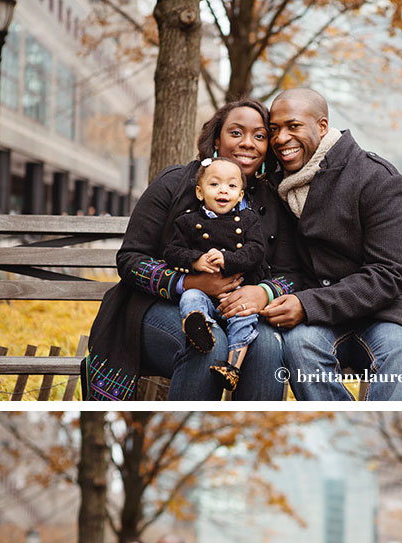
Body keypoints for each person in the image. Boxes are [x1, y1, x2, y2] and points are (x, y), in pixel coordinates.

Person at [86, 98, 284, 402]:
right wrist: (190, 283)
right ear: (216, 138)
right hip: (156, 307)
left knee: (268, 345)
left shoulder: (271, 201)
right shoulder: (175, 182)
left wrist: (264, 292)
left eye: (259, 136)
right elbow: (130, 259)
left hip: (239, 311)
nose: (248, 143)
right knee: (207, 342)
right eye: (236, 133)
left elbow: (293, 270)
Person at [258, 86, 402, 402]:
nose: (279, 138)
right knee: (299, 347)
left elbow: (388, 274)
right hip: (318, 325)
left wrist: (307, 304)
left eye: (293, 126)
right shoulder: (277, 187)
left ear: (322, 126)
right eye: (274, 129)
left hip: (387, 313)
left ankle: (379, 440)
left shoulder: (377, 179)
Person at [175, 157, 269, 387]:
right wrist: (195, 261)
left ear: (240, 195)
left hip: (236, 294)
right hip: (204, 294)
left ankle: (232, 368)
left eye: (231, 186)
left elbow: (256, 251)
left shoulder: (248, 220)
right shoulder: (188, 221)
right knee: (190, 297)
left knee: (244, 317)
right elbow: (172, 251)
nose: (223, 191)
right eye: (214, 184)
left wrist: (228, 259)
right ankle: (200, 329)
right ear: (200, 192)